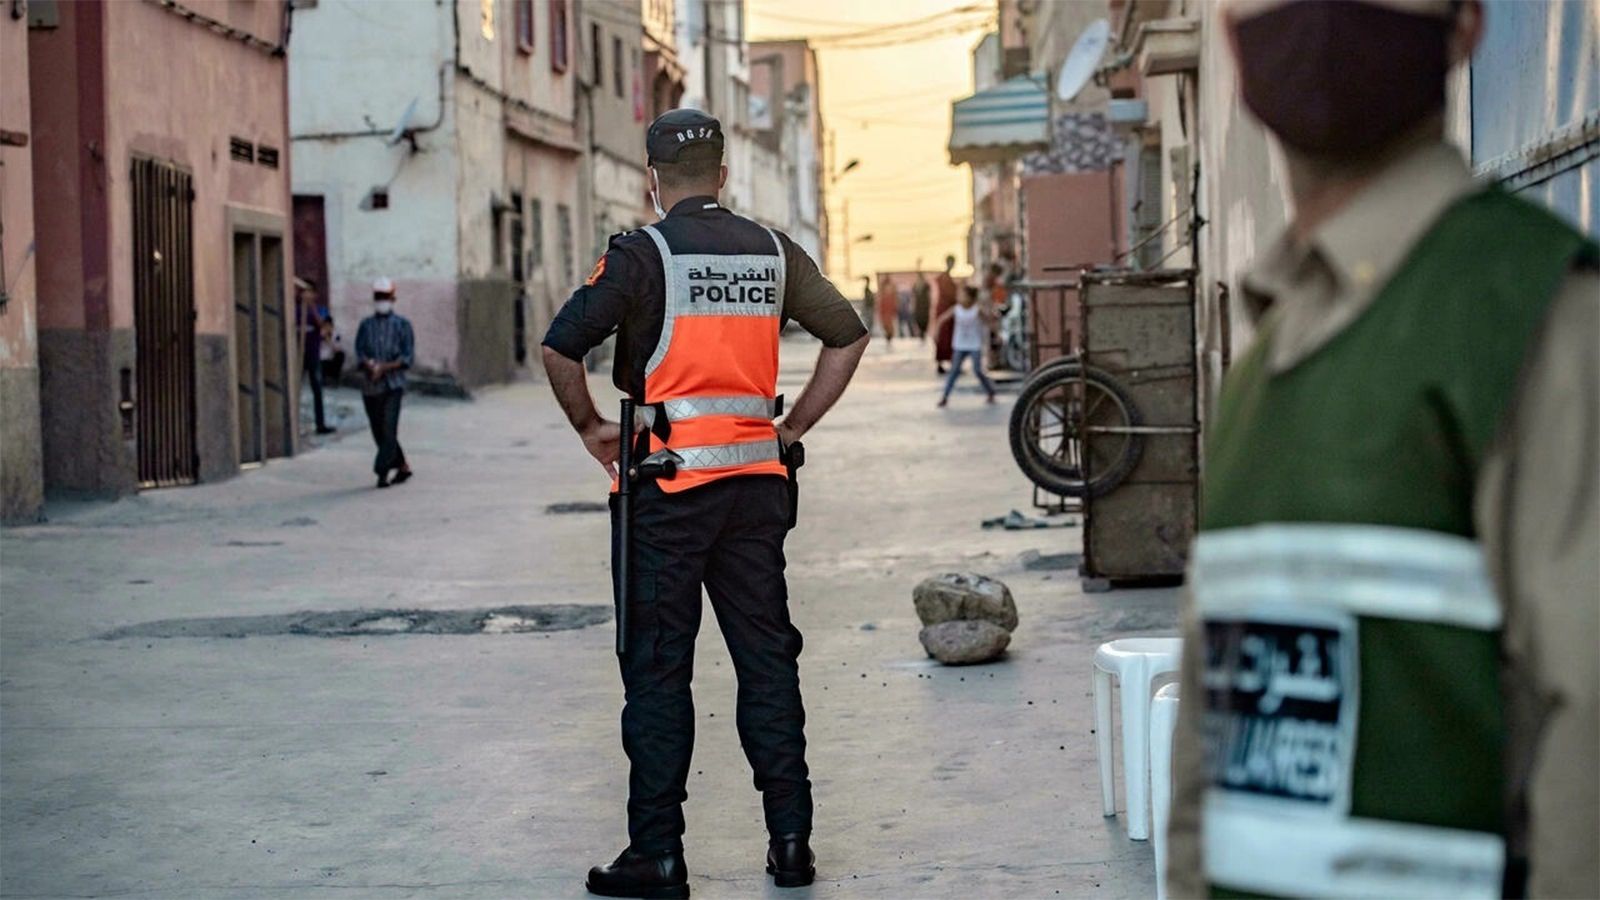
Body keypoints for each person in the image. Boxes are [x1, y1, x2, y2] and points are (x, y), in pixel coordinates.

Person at [1165, 2, 1598, 898]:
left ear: (1468, 24)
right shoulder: (1265, 360)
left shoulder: (1543, 319)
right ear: (1231, 33)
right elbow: (1214, 742)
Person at [540, 108, 869, 900]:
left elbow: (560, 345)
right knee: (767, 663)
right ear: (723, 174)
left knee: (659, 672)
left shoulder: (641, 256)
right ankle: (791, 843)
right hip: (757, 490)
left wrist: (591, 429)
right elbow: (848, 336)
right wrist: (791, 427)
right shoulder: (774, 252)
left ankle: (658, 854)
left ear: (652, 181)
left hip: (665, 493)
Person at [355, 277, 415, 489]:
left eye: (385, 297)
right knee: (378, 430)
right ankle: (402, 466)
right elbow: (359, 353)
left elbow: (407, 358)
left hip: (393, 385)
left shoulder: (402, 325)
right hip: (371, 386)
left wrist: (385, 367)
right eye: (378, 297)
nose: (382, 301)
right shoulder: (366, 325)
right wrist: (370, 365)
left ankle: (382, 470)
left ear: (392, 299)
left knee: (389, 428)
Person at [931, 285, 996, 407]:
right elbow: (941, 319)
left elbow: (988, 322)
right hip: (959, 345)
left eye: (963, 295)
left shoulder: (977, 310)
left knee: (977, 370)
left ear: (970, 298)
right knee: (954, 371)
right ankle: (945, 396)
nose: (959, 298)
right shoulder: (957, 309)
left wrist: (995, 333)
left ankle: (990, 391)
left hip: (974, 344)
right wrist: (936, 332)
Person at [296, 278, 335, 435]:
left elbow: (326, 330)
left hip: (313, 354)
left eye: (309, 291)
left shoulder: (321, 311)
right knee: (295, 390)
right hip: (297, 356)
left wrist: (311, 308)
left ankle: (320, 423)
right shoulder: (294, 311)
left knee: (317, 389)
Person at [932, 254, 957, 374]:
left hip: (949, 309)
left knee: (950, 337)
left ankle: (952, 362)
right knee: (943, 337)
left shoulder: (947, 277)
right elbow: (949, 294)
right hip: (944, 309)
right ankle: (940, 363)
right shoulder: (944, 278)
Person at [319, 317, 346, 383]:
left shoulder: (336, 335)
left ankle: (335, 378)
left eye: (329, 326)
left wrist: (328, 339)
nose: (327, 328)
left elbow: (337, 349)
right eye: (325, 326)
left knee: (341, 355)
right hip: (321, 359)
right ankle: (322, 379)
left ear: (332, 326)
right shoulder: (319, 335)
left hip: (331, 359)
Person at [874, 274, 897, 346]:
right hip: (885, 311)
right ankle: (888, 336)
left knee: (889, 325)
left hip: (888, 311)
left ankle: (889, 337)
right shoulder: (883, 295)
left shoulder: (891, 294)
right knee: (886, 325)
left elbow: (894, 302)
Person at [912, 269, 932, 343]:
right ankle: (921, 334)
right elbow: (913, 297)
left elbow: (929, 295)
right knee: (919, 320)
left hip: (924, 306)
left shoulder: (926, 285)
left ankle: (923, 334)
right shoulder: (915, 285)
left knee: (924, 321)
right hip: (919, 307)